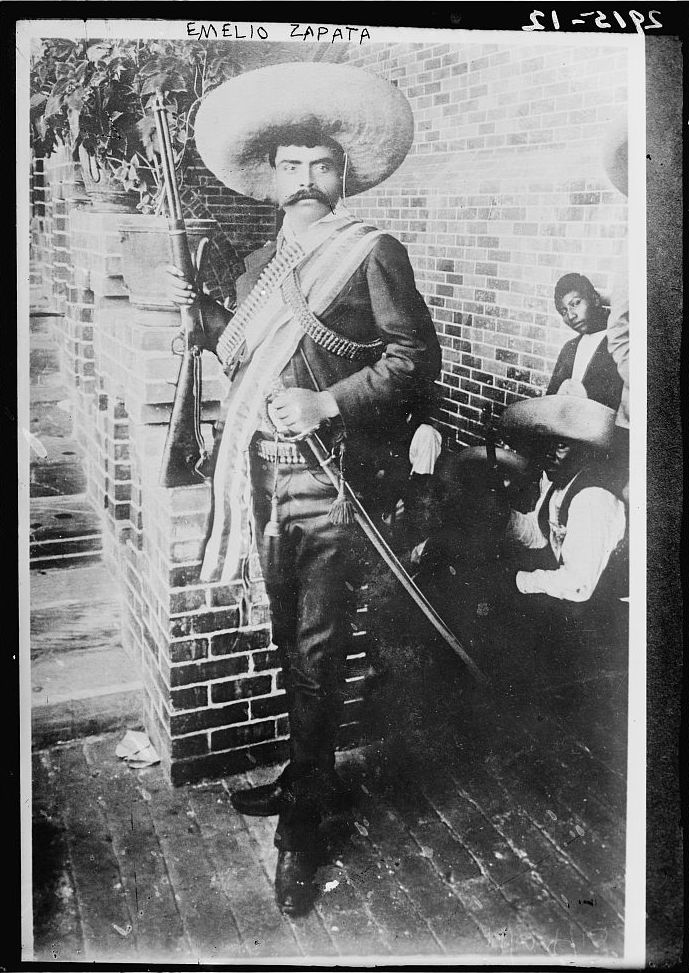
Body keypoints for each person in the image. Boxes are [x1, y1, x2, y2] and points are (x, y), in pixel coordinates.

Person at [165, 62, 441, 917]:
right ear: (271, 178)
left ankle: (303, 833)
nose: (307, 179)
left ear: (342, 174)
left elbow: (413, 359)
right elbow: (247, 354)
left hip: (332, 487)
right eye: (291, 165)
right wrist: (205, 319)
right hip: (263, 489)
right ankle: (299, 779)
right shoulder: (256, 267)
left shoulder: (371, 252)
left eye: (321, 164)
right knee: (293, 649)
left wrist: (328, 399)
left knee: (319, 659)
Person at [547, 272, 623, 412]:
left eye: (575, 303)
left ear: (595, 299)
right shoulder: (569, 349)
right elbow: (550, 400)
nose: (570, 315)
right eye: (563, 311)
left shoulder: (620, 344)